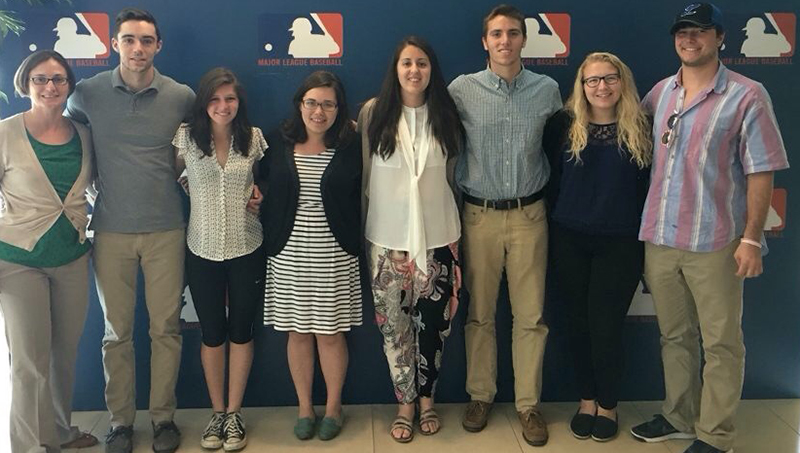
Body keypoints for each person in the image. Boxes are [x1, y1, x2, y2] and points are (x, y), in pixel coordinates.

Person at [629, 4, 789, 453]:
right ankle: (680, 416)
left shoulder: (747, 94)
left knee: (721, 344)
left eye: (700, 31)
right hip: (660, 239)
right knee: (674, 337)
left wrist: (752, 238)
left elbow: (762, 171)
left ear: (720, 37)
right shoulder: (660, 93)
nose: (689, 38)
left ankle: (716, 436)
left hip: (717, 241)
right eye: (683, 31)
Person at [65, 8, 195, 453]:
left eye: (146, 40)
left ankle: (163, 420)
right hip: (111, 232)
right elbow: (65, 140)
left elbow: (204, 147)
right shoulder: (86, 93)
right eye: (128, 40)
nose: (137, 48)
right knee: (115, 333)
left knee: (165, 330)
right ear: (114, 44)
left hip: (166, 229)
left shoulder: (181, 96)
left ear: (159, 45)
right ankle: (120, 423)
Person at [448, 4, 562, 447]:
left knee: (531, 316)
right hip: (478, 216)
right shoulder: (462, 90)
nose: (504, 41)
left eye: (512, 34)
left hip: (531, 216)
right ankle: (481, 396)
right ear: (485, 41)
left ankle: (528, 405)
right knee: (479, 315)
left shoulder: (548, 90)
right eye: (496, 34)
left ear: (522, 40)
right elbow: (418, 113)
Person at [358, 36, 464, 443]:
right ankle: (404, 404)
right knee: (395, 329)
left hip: (440, 236)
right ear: (396, 69)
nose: (414, 70)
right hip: (386, 239)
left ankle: (427, 401)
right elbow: (367, 176)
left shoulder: (446, 115)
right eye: (407, 63)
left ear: (431, 69)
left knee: (435, 327)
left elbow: (453, 175)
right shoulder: (374, 114)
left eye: (421, 63)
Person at [543, 52, 652, 442]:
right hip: (569, 238)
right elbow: (550, 179)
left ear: (622, 83)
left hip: (621, 242)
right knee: (576, 324)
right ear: (581, 85)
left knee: (605, 326)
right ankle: (586, 399)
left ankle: (608, 403)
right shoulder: (562, 125)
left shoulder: (642, 127)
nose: (601, 87)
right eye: (592, 80)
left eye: (609, 79)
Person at [0, 49, 97, 453]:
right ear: (26, 84)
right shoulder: (5, 132)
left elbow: (91, 189)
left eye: (58, 79)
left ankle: (60, 432)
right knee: (28, 364)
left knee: (63, 356)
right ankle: (29, 446)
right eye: (40, 79)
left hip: (71, 257)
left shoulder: (84, 133)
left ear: (69, 86)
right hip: (18, 261)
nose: (50, 87)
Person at [259, 70, 362, 442]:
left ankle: (333, 407)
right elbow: (256, 183)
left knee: (331, 335)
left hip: (334, 253)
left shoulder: (352, 145)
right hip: (288, 253)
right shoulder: (276, 141)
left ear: (339, 109)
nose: (319, 111)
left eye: (328, 104)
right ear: (300, 104)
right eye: (312, 102)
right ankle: (305, 407)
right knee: (299, 333)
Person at [172, 68, 267, 452]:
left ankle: (234, 412)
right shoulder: (186, 139)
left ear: (239, 102)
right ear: (203, 103)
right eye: (215, 99)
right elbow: (177, 177)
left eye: (230, 98)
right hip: (201, 248)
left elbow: (258, 183)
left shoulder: (254, 139)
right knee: (212, 334)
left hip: (247, 246)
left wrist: (258, 198)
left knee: (241, 330)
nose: (223, 106)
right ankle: (216, 413)